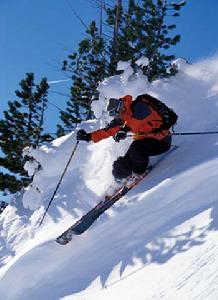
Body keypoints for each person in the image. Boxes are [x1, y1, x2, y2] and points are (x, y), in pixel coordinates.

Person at [76, 94, 175, 181]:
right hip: (145, 142)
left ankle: (138, 173)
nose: (115, 117)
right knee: (121, 165)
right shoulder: (124, 120)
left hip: (162, 141)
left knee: (136, 149)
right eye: (113, 115)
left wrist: (125, 129)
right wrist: (89, 136)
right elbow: (108, 131)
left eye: (115, 114)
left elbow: (136, 121)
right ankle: (121, 181)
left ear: (121, 108)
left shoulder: (140, 106)